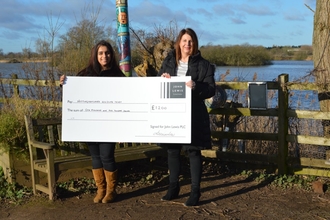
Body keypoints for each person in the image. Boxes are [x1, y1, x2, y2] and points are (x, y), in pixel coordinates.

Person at [60, 40, 126, 203]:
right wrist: (64, 84)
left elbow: (126, 99)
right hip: (89, 124)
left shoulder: (118, 75)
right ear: (95, 55)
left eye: (107, 53)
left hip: (109, 124)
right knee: (95, 157)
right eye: (101, 53)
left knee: (107, 156)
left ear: (111, 55)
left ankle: (111, 191)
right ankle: (101, 189)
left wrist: (124, 127)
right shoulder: (85, 74)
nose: (105, 56)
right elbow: (74, 93)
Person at [158, 28, 216, 206]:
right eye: (184, 41)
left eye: (190, 41)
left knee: (193, 151)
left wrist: (196, 85)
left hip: (194, 113)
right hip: (172, 113)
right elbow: (157, 84)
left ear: (195, 44)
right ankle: (173, 188)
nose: (187, 44)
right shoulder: (169, 62)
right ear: (179, 43)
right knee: (172, 151)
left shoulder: (204, 65)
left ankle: (195, 192)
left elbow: (210, 89)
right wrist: (162, 78)